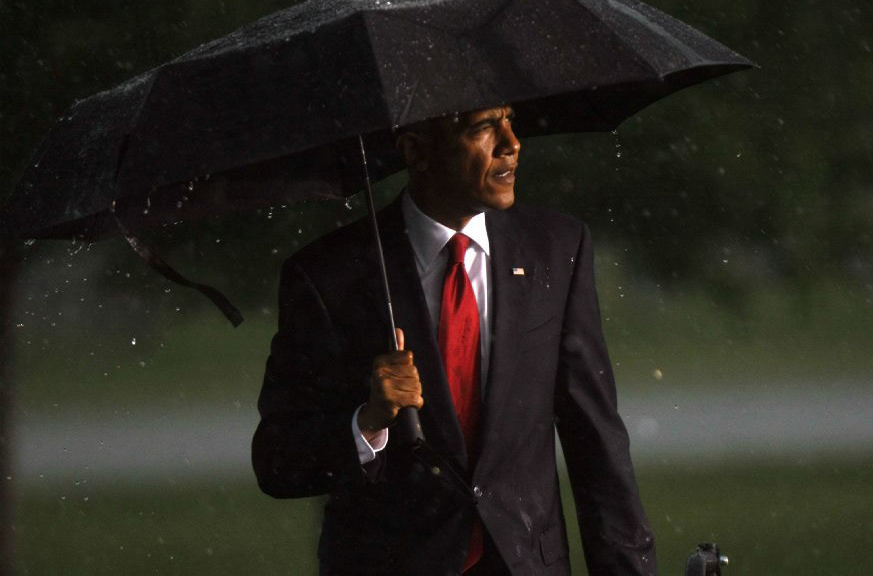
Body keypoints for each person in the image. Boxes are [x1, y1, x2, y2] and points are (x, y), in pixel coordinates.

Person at [252, 105, 656, 575]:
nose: (511, 143)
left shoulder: (557, 249)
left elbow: (596, 441)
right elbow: (278, 463)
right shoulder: (328, 275)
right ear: (416, 151)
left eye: (510, 120)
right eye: (483, 127)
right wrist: (369, 423)